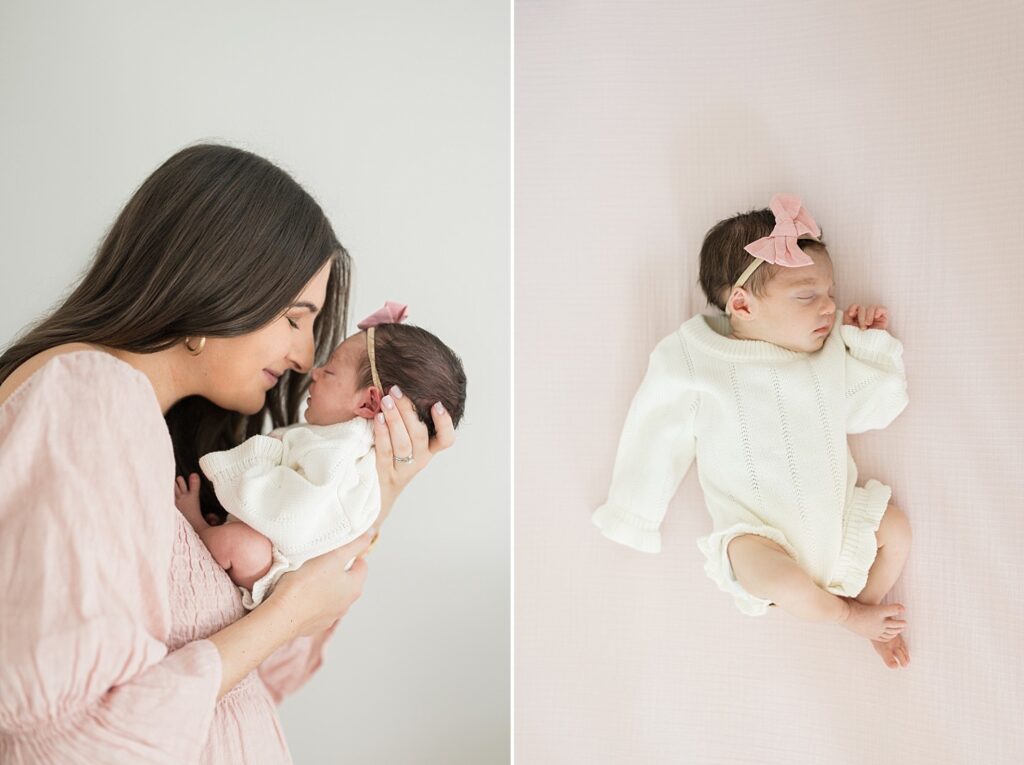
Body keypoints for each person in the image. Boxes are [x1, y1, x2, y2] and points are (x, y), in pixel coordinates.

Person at [0, 143, 455, 764]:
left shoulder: (160, 435)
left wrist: (377, 494)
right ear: (216, 280)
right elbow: (68, 739)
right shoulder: (91, 400)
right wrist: (286, 615)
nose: (305, 357)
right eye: (294, 319)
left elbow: (258, 686)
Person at [592, 193, 913, 670]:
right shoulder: (695, 357)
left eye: (830, 292)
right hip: (758, 538)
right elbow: (657, 430)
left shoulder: (827, 354)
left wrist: (868, 346)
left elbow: (876, 410)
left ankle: (865, 605)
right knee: (782, 582)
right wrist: (634, 513)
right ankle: (848, 616)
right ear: (742, 304)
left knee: (896, 530)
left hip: (838, 523)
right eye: (807, 295)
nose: (829, 307)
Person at [175, 301, 467, 609]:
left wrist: (254, 469)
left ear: (368, 403)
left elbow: (291, 517)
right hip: (292, 575)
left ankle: (199, 526)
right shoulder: (344, 445)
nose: (312, 372)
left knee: (243, 547)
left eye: (329, 371)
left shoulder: (339, 452)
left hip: (278, 569)